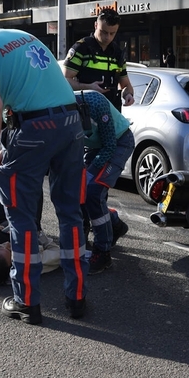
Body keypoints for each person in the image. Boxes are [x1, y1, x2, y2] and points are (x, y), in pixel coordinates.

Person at [0, 24, 88, 325]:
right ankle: (77, 298)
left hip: (36, 128)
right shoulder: (20, 36)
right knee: (71, 213)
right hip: (72, 122)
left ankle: (26, 302)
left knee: (20, 218)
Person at [77, 90, 134, 274]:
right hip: (95, 146)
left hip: (119, 142)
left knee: (93, 192)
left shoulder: (94, 101)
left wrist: (91, 173)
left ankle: (103, 252)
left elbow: (110, 146)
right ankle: (114, 224)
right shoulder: (55, 111)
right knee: (80, 191)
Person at [62, 7, 135, 110]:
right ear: (95, 25)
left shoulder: (118, 53)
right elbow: (64, 81)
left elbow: (126, 85)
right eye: (104, 32)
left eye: (112, 33)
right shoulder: (81, 48)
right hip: (86, 113)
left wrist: (128, 95)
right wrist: (88, 88)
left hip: (112, 112)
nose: (107, 37)